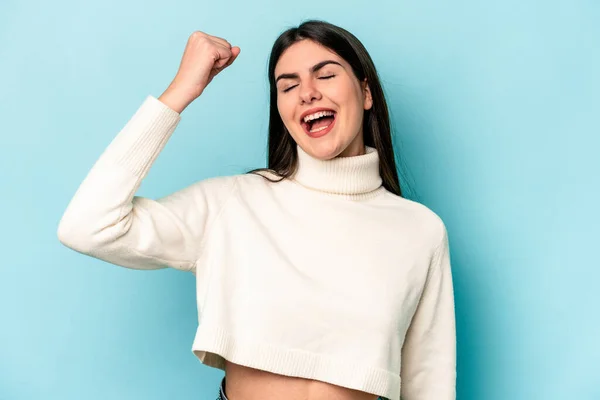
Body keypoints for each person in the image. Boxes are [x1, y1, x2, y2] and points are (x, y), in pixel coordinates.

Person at [57, 20, 456, 400]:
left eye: (326, 74)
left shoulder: (419, 230)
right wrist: (181, 90)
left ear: (366, 92)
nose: (308, 92)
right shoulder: (232, 203)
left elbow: (429, 383)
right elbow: (87, 225)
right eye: (288, 85)